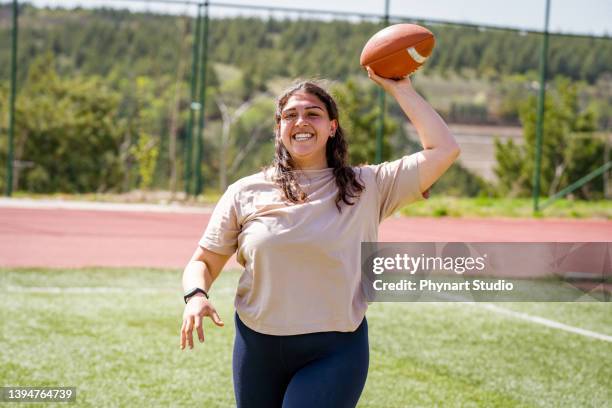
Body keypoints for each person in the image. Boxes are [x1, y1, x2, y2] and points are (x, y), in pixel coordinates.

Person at [179, 67, 460, 407]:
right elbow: (203, 262)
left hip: (334, 350)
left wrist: (401, 89)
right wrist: (196, 295)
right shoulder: (245, 191)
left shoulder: (369, 186)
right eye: (290, 115)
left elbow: (444, 149)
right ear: (279, 128)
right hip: (257, 346)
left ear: (332, 127)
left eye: (313, 114)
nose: (301, 122)